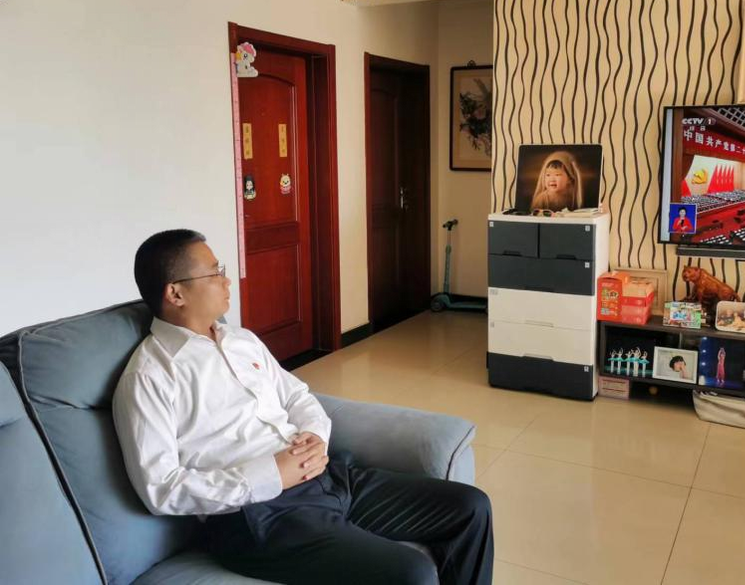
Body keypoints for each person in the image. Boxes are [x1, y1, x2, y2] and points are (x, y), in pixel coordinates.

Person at [112, 230, 493, 585]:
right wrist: (269, 474)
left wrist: (314, 435)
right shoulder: (150, 375)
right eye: (215, 273)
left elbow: (297, 395)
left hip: (326, 477)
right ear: (176, 293)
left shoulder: (241, 339)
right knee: (412, 572)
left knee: (470, 507)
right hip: (259, 517)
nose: (228, 281)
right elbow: (160, 488)